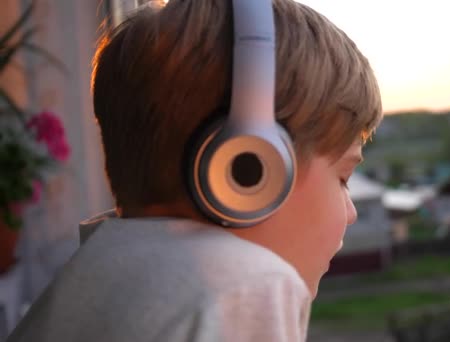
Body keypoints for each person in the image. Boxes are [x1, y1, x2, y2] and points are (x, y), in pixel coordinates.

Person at [7, 0, 382, 340]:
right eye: (343, 178)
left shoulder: (88, 278)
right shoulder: (241, 284)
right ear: (248, 169)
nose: (351, 214)